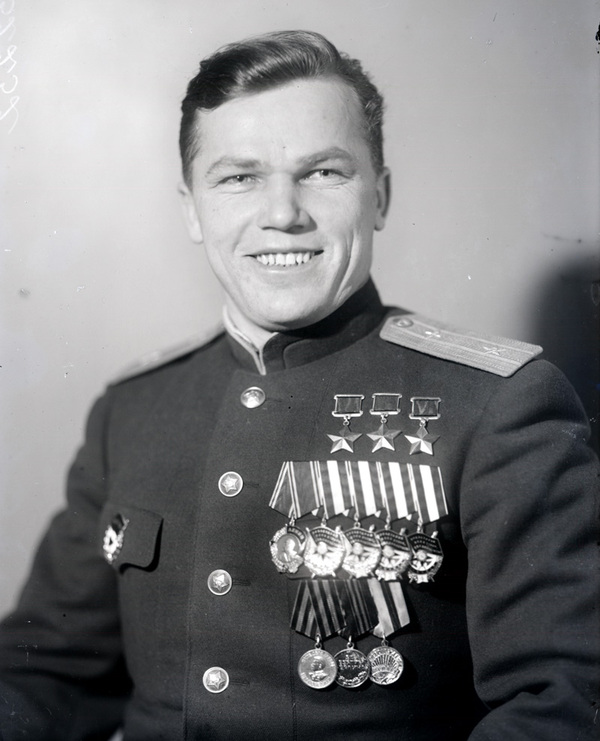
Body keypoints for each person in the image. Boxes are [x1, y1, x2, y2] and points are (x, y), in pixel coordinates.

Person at [0, 29, 598, 740]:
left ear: (380, 197)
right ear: (192, 209)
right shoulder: (132, 411)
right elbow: (45, 673)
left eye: (323, 171)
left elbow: (561, 701)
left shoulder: (498, 404)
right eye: (239, 177)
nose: (282, 213)